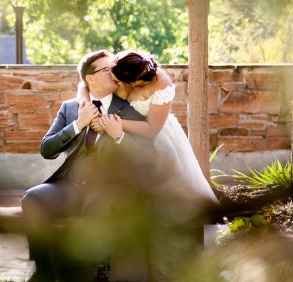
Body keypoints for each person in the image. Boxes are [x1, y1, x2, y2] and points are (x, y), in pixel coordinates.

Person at [15, 50, 153, 282]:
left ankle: (101, 276)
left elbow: (145, 155)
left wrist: (117, 134)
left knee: (101, 205)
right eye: (107, 69)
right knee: (33, 199)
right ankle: (43, 276)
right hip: (69, 186)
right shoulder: (70, 108)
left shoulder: (129, 107)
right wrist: (78, 124)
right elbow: (46, 149)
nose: (114, 72)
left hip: (107, 187)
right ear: (90, 79)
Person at [80, 50, 219, 217]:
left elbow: (152, 129)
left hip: (156, 133)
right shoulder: (122, 65)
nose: (116, 83)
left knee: (164, 188)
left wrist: (113, 123)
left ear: (137, 80)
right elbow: (85, 84)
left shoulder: (162, 86)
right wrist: (88, 105)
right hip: (125, 133)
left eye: (119, 82)